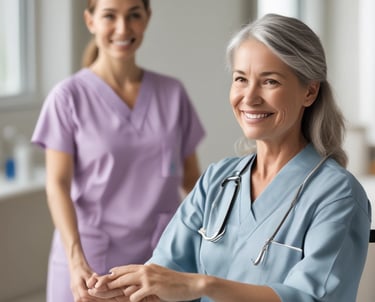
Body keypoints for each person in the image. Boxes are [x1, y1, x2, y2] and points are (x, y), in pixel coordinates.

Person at [86, 13, 372, 302]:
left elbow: (310, 298)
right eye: (240, 79)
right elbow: (166, 275)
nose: (249, 97)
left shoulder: (338, 195)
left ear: (309, 92)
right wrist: (125, 295)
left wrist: (203, 286)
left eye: (269, 81)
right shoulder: (218, 180)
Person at [31, 0, 205, 301]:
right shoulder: (68, 97)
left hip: (158, 259)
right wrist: (76, 259)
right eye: (109, 16)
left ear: (147, 19)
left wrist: (211, 243)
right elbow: (57, 185)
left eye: (134, 15)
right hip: (89, 262)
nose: (123, 28)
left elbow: (192, 180)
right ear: (90, 21)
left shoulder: (172, 94)